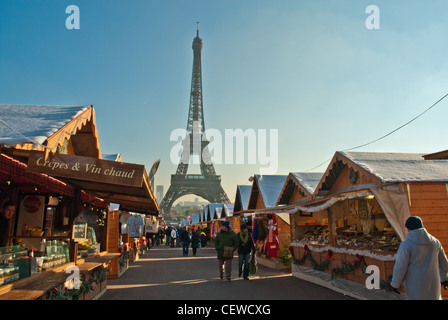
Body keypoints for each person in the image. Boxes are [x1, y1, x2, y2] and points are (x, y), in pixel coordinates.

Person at [391, 216, 448, 300]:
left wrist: (395, 284)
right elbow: (444, 263)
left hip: (415, 286)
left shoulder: (406, 245)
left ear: (408, 228)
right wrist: (445, 278)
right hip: (433, 285)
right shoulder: (435, 242)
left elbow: (400, 267)